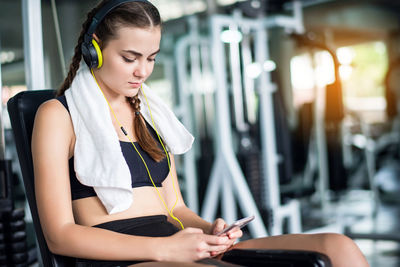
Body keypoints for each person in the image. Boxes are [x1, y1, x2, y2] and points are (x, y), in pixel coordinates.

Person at [31, 0, 369, 266]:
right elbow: (60, 236)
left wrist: (209, 230)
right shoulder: (58, 115)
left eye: (151, 58)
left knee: (336, 248)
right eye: (130, 57)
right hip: (123, 257)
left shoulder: (149, 113)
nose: (142, 71)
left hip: (172, 246)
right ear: (95, 50)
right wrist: (165, 249)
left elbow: (175, 208)